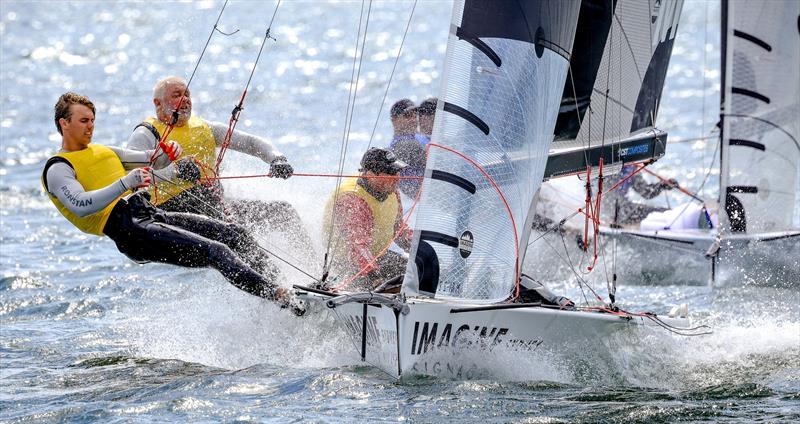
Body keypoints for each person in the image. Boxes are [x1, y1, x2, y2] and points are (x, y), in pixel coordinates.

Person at [43, 92, 304, 315]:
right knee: (217, 251)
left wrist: (169, 155)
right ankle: (279, 295)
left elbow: (151, 159)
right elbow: (81, 204)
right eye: (83, 121)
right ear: (64, 123)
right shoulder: (58, 167)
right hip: (129, 231)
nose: (90, 127)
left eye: (92, 121)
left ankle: (284, 285)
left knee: (235, 233)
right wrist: (125, 184)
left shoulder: (105, 151)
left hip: (149, 214)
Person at [126, 76, 313, 255]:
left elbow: (250, 142)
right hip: (172, 212)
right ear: (157, 103)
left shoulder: (205, 128)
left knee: (283, 212)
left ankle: (319, 278)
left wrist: (276, 158)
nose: (185, 100)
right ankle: (277, 287)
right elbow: (130, 177)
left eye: (188, 95)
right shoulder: (146, 133)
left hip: (214, 205)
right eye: (177, 95)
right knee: (238, 236)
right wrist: (174, 171)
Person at [321, 148, 412, 290]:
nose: (397, 178)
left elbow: (399, 229)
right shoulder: (352, 199)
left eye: (397, 172)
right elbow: (358, 247)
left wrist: (420, 250)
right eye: (390, 173)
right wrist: (377, 279)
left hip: (377, 257)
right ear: (370, 175)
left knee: (418, 268)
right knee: (378, 284)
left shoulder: (391, 191)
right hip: (347, 265)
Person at [603, 164, 678, 225]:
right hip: (608, 211)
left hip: (624, 208)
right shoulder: (609, 164)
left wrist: (662, 185)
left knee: (666, 212)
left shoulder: (632, 168)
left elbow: (646, 192)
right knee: (663, 213)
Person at [387, 99, 425, 198]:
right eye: (408, 116)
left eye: (415, 115)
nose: (414, 119)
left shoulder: (421, 138)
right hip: (421, 199)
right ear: (394, 120)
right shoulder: (402, 145)